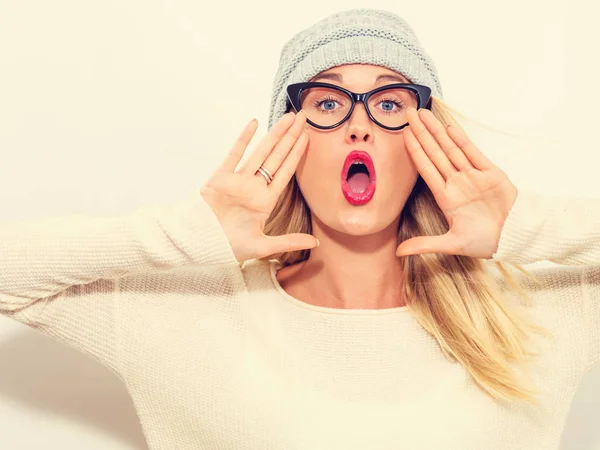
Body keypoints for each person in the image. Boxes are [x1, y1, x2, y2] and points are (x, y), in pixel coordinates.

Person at [0, 7, 598, 450]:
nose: (358, 127)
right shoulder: (185, 314)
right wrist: (187, 233)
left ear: (426, 145)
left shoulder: (534, 320)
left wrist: (527, 225)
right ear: (287, 140)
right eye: (327, 103)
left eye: (390, 104)